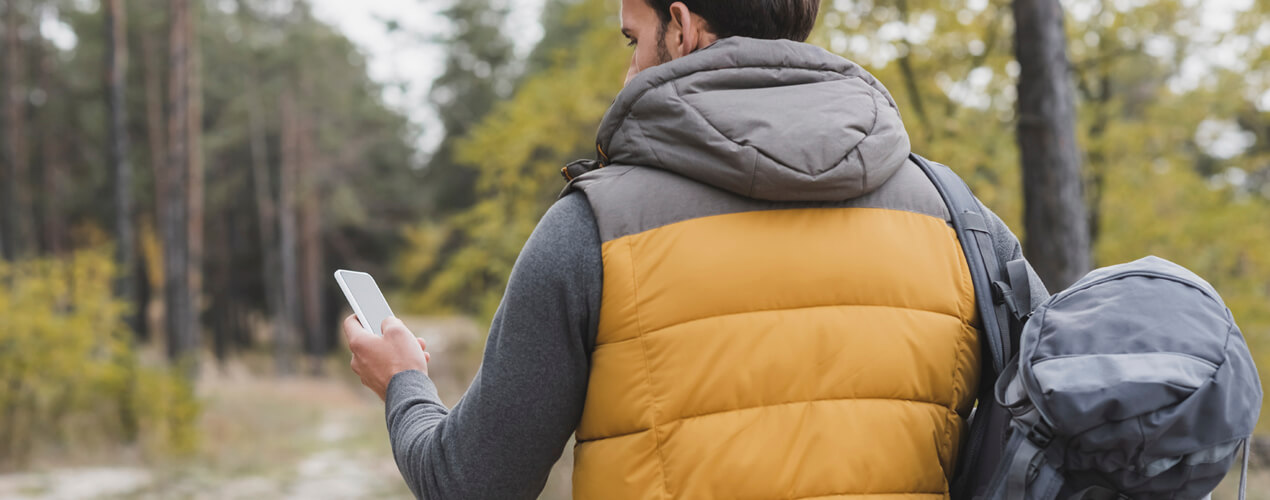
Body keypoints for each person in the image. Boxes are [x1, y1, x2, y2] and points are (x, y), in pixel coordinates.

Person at [342, 0, 1049, 498]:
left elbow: (471, 483)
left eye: (632, 39)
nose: (629, 69)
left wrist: (405, 382)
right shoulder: (958, 217)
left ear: (681, 28)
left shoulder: (593, 227)